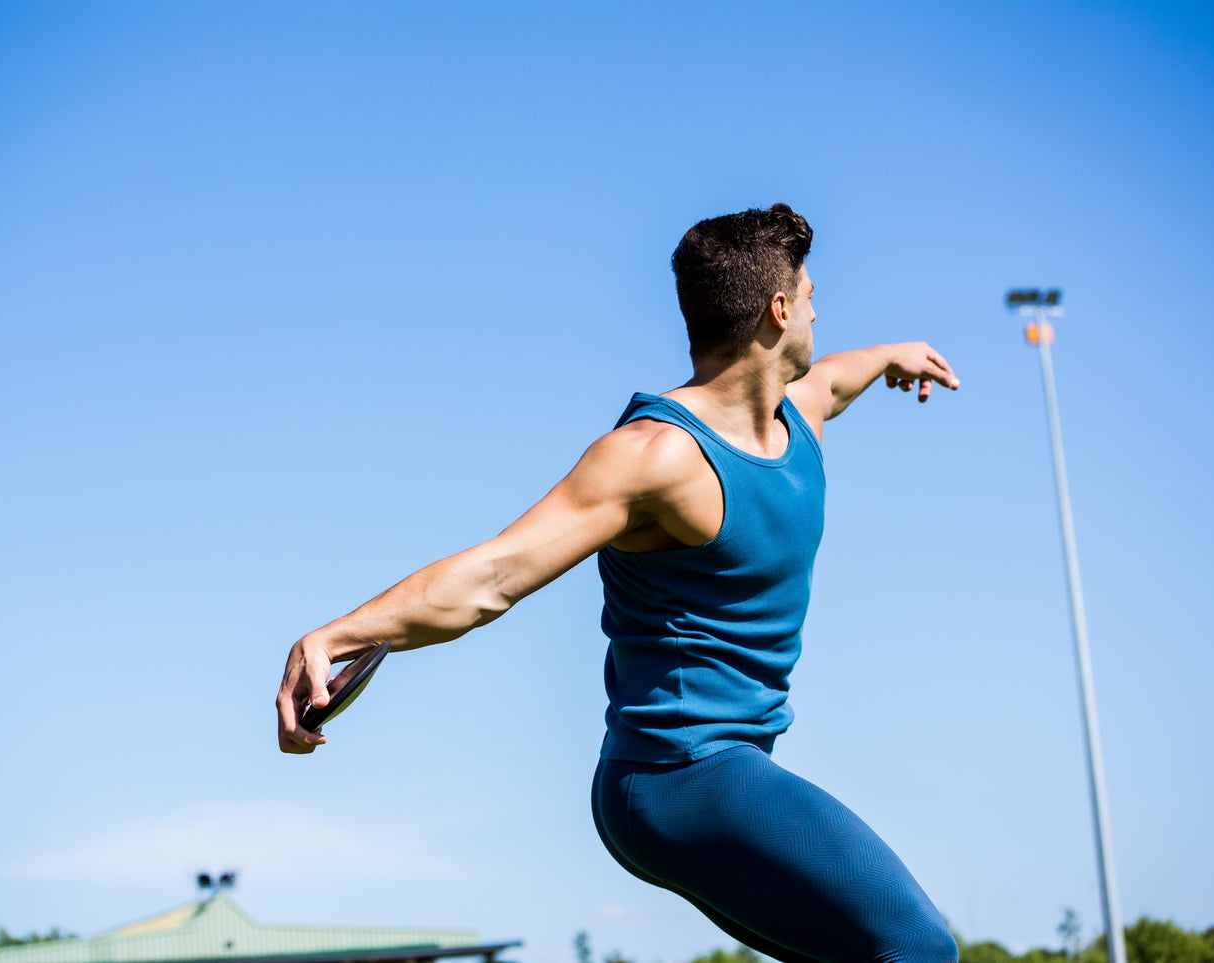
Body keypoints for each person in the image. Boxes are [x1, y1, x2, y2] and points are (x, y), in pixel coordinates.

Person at [276, 203, 961, 963]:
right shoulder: (656, 457)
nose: (814, 314)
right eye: (807, 299)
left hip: (728, 767)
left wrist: (898, 354)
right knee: (917, 947)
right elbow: (494, 575)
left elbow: (841, 374)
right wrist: (335, 633)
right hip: (677, 774)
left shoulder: (798, 412)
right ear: (776, 311)